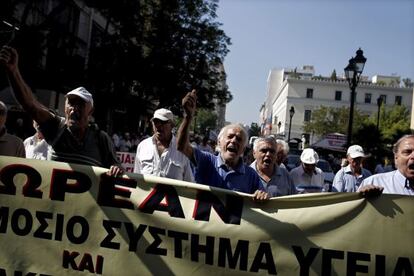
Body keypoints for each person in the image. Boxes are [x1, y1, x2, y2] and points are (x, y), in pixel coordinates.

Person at [0, 46, 122, 176]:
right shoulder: (56, 128)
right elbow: (30, 105)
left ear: (90, 112)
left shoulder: (101, 138)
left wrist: (116, 169)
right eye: (71, 103)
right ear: (64, 107)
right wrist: (13, 71)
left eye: (80, 104)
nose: (74, 108)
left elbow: (116, 167)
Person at [177, 90, 268, 200]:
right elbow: (182, 146)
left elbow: (265, 201)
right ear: (219, 142)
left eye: (239, 139)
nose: (234, 141)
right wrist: (188, 117)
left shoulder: (251, 176)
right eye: (230, 137)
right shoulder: (207, 161)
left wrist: (263, 196)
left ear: (243, 149)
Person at [134, 108, 194, 182]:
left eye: (163, 122)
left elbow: (189, 182)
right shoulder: (143, 146)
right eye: (156, 122)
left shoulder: (182, 149)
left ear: (172, 125)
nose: (158, 125)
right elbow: (137, 176)